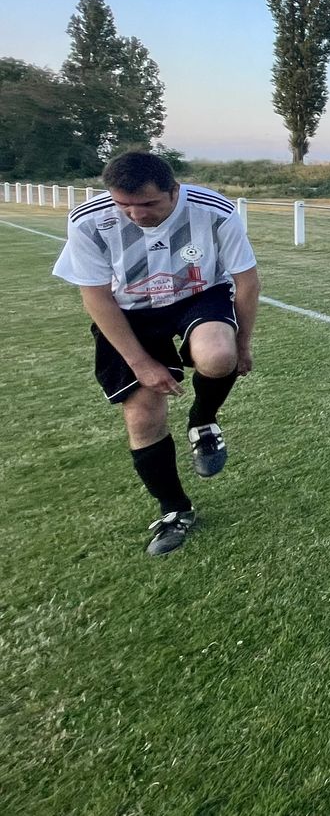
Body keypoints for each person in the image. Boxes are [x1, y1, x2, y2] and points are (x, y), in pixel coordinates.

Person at [51, 150, 258, 557]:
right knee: (143, 415)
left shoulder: (214, 210)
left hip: (199, 294)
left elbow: (247, 282)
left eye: (148, 203)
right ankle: (174, 509)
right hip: (128, 310)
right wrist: (141, 364)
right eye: (124, 205)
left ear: (174, 190)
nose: (136, 214)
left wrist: (243, 344)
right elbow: (95, 296)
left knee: (219, 356)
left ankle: (203, 421)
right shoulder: (88, 220)